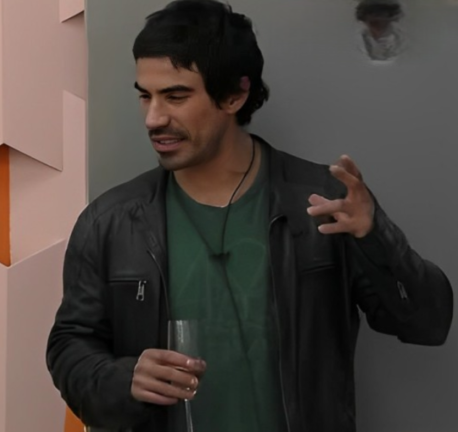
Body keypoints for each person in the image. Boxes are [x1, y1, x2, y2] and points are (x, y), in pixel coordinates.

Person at [45, 1, 453, 432]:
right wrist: (123, 379)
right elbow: (70, 347)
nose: (153, 118)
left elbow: (427, 323)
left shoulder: (323, 203)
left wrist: (375, 236)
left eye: (176, 96)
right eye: (145, 95)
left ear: (234, 95)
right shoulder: (110, 222)